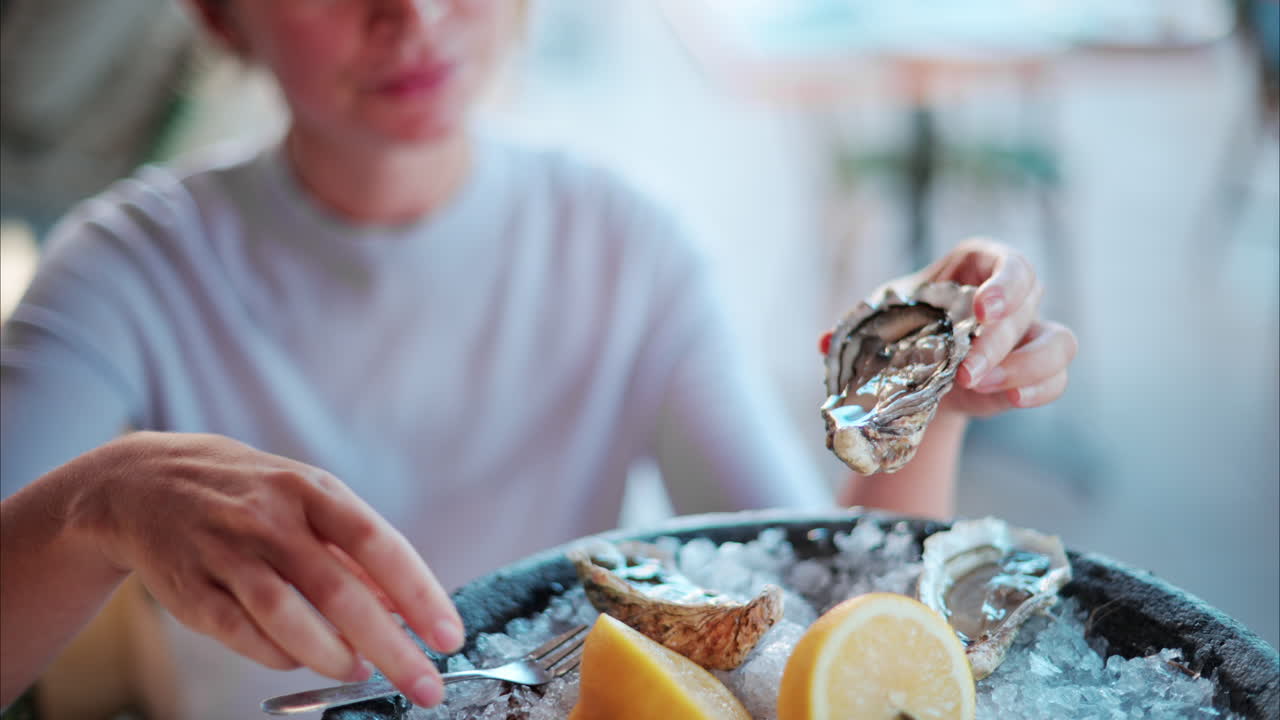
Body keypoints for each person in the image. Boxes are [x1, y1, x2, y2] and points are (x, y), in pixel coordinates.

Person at [0, 0, 1077, 716]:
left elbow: (819, 610)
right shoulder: (121, 271)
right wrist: (97, 503)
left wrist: (930, 390)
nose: (412, 17)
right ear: (220, 14)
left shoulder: (624, 242)